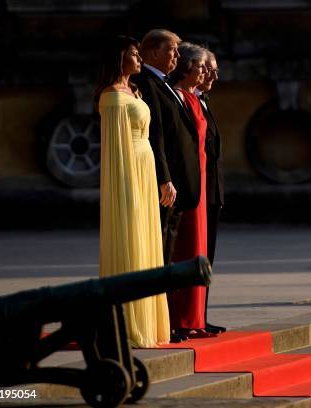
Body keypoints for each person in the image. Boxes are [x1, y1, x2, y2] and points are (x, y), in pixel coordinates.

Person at [95, 35, 170, 347]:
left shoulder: (134, 91)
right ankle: (129, 322)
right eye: (134, 54)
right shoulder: (112, 96)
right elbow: (115, 152)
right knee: (131, 238)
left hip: (144, 169)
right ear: (120, 58)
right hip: (128, 175)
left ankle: (148, 320)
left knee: (147, 240)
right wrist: (125, 190)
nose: (139, 59)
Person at [134, 29, 202, 342]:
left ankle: (167, 321)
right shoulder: (147, 83)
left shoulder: (165, 84)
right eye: (172, 50)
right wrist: (164, 178)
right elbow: (156, 137)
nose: (177, 56)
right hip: (166, 184)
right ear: (152, 53)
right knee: (161, 252)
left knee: (169, 252)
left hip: (179, 185)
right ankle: (164, 323)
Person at [167, 42, 215, 338]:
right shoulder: (181, 99)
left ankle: (194, 317)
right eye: (201, 67)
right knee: (185, 250)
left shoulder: (195, 100)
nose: (206, 73)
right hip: (187, 184)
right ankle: (182, 317)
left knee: (198, 250)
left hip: (201, 182)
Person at [197, 48, 226, 334]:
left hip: (212, 191)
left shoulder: (203, 100)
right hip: (197, 191)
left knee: (208, 257)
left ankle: (199, 316)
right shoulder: (189, 99)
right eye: (208, 68)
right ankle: (192, 317)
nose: (213, 75)